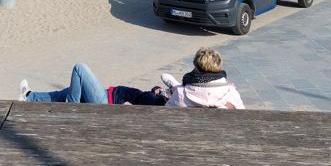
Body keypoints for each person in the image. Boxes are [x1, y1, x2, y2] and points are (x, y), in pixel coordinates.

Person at [19, 62, 168, 106]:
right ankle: (29, 96)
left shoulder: (155, 102)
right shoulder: (157, 99)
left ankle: (71, 107)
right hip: (106, 95)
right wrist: (157, 90)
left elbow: (146, 100)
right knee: (67, 91)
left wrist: (159, 95)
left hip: (104, 101)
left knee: (80, 68)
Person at [162, 48, 244, 109]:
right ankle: (174, 86)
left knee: (151, 96)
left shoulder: (181, 94)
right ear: (218, 66)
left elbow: (166, 114)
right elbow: (242, 115)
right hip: (221, 131)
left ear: (195, 65)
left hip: (188, 130)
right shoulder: (231, 92)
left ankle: (174, 87)